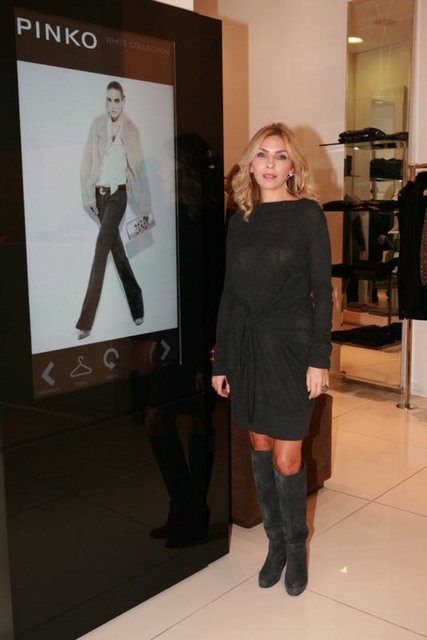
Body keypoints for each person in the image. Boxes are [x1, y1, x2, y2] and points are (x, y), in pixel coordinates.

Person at [211, 123, 332, 596]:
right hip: (246, 346)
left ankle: (297, 545)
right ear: (250, 163)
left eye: (280, 156)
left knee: (287, 456)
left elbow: (321, 291)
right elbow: (229, 295)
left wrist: (319, 359)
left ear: (293, 167)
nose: (269, 164)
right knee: (259, 444)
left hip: (291, 349)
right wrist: (222, 361)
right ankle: (275, 543)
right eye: (261, 155)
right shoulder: (239, 221)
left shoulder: (307, 215)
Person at [76, 80, 152, 338]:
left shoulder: (131, 130)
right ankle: (137, 303)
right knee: (117, 252)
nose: (113, 106)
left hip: (118, 195)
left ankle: (85, 322)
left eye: (117, 100)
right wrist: (88, 195)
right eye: (109, 100)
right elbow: (86, 162)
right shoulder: (97, 124)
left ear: (124, 101)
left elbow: (139, 167)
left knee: (101, 248)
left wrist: (145, 205)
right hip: (99, 196)